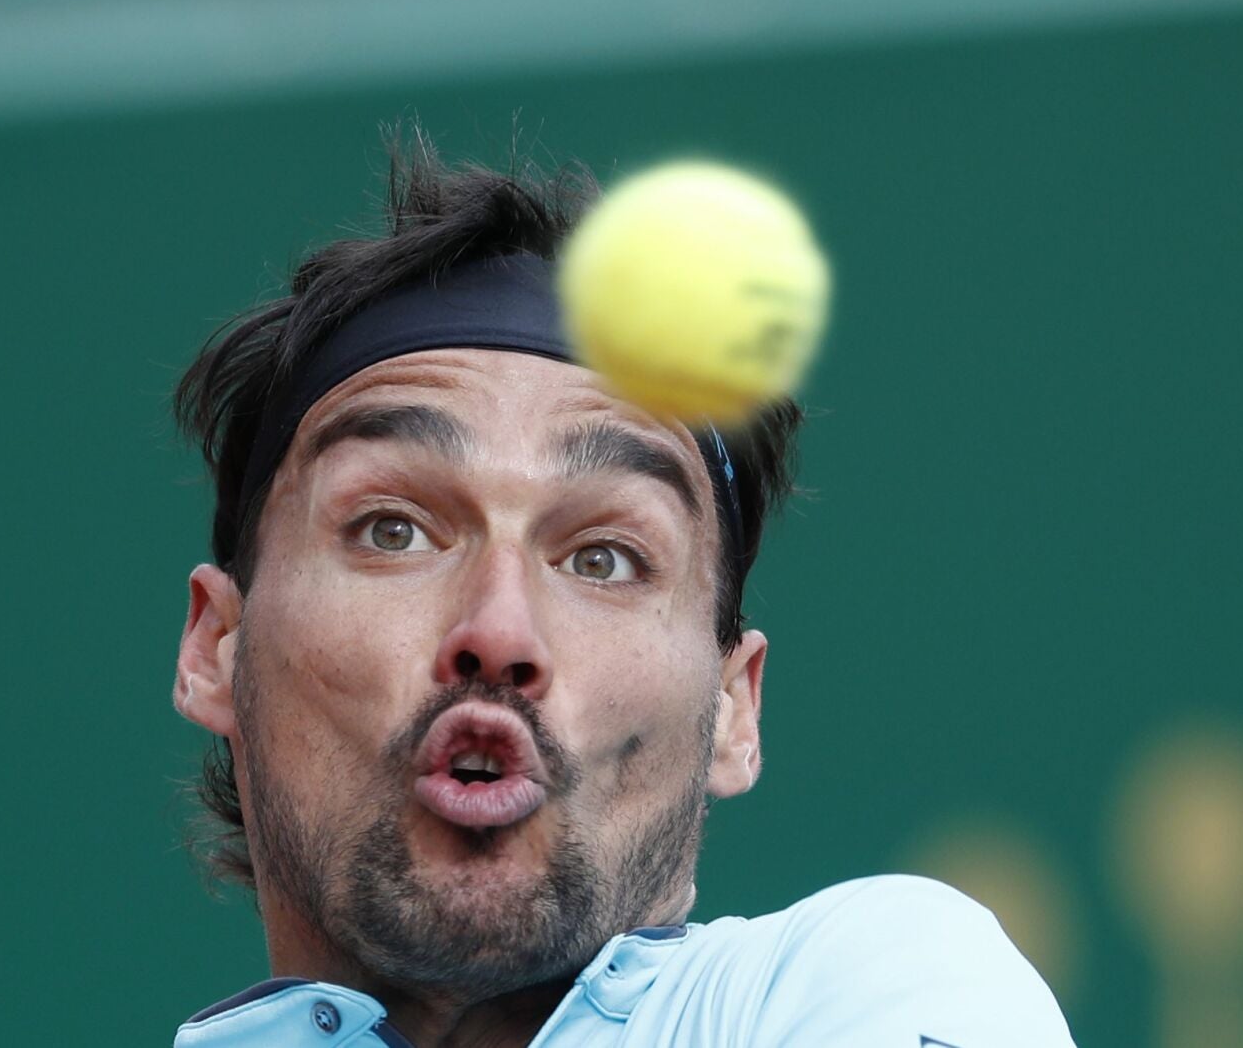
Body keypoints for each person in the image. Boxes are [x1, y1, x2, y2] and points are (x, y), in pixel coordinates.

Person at [168, 131, 1076, 1047]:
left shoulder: (885, 979)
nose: (499, 629)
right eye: (392, 530)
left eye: (603, 558)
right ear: (216, 648)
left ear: (733, 707)